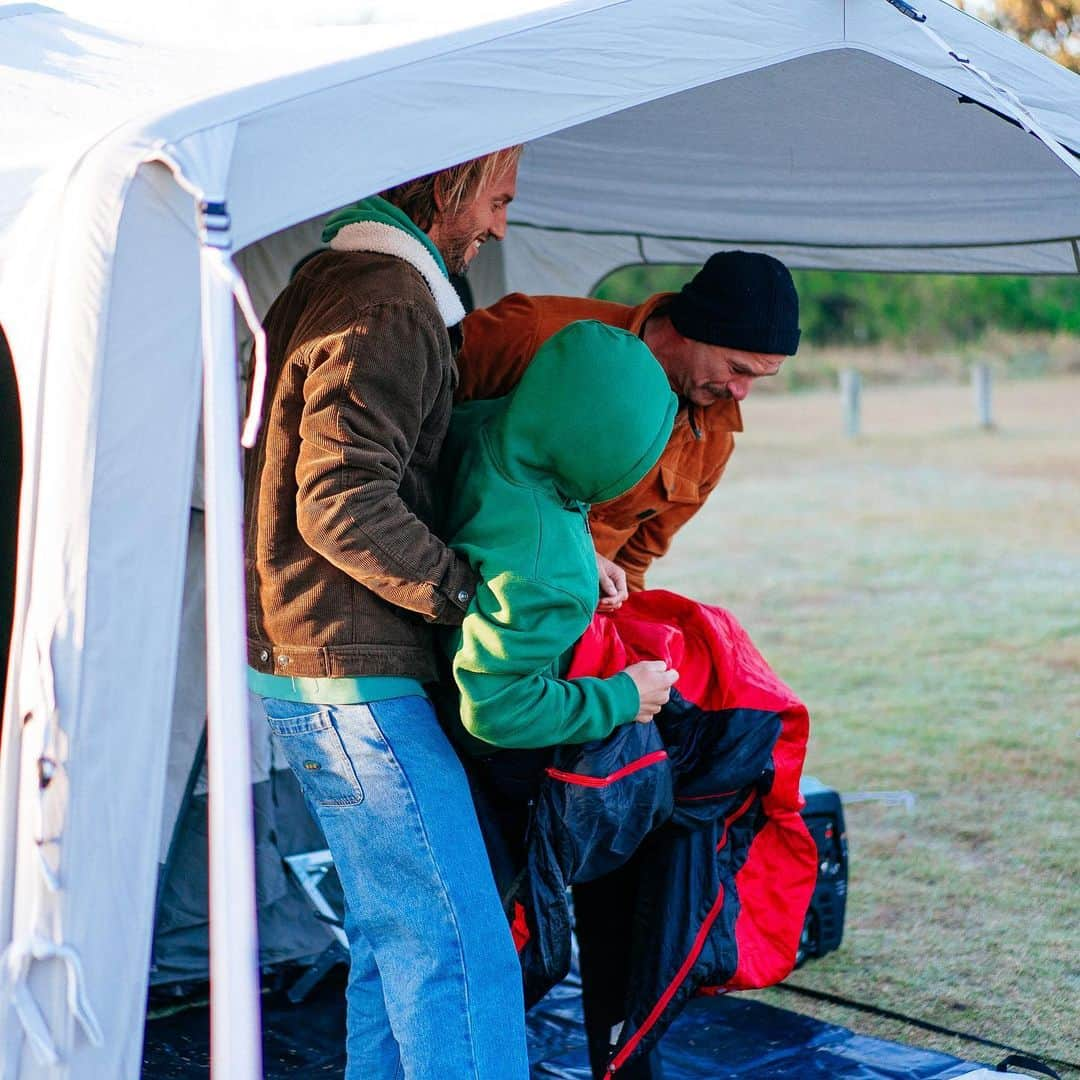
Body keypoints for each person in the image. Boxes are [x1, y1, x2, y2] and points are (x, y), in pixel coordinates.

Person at [243, 147, 529, 1080]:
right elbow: (339, 498)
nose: (497, 226)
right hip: (353, 674)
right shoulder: (394, 303)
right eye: (497, 198)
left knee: (392, 939)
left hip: (307, 660)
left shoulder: (328, 282)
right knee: (458, 951)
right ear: (446, 184)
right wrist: (470, 595)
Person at [456, 251, 801, 592]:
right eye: (737, 369)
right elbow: (415, 426)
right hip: (452, 571)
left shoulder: (712, 442)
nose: (742, 393)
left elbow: (631, 565)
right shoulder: (534, 331)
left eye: (760, 378)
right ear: (691, 327)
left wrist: (622, 618)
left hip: (566, 610)